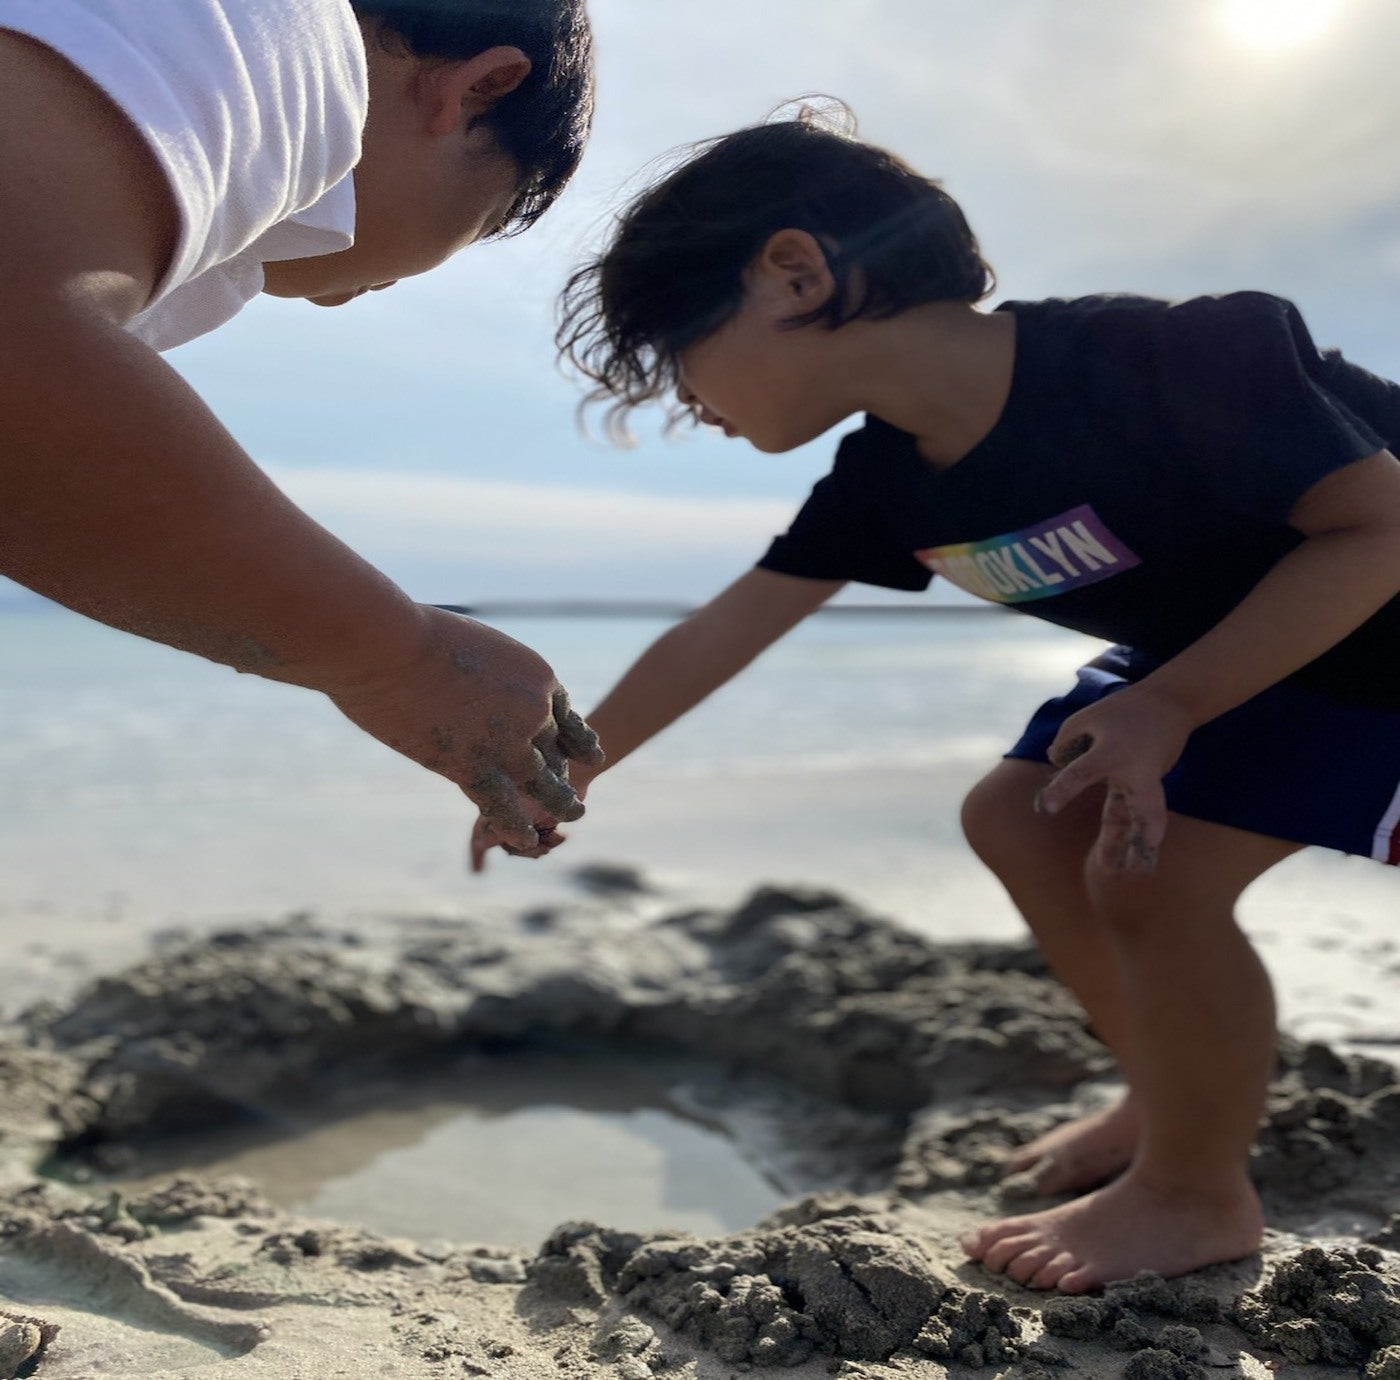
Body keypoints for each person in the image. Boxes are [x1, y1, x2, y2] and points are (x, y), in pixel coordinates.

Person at [471, 107, 1400, 1292]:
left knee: (1150, 875)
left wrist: (1169, 706)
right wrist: (563, 766)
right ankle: (1173, 1099)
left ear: (793, 272)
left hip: (1371, 626)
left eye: (674, 350)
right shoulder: (885, 481)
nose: (679, 398)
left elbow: (1373, 529)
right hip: (1219, 653)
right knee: (1017, 817)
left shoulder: (1168, 357)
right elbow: (722, 630)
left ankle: (1193, 1193)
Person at [0, 0, 602, 854]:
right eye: (481, 223)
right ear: (476, 90)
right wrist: (398, 657)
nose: (372, 289)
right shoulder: (283, 30)